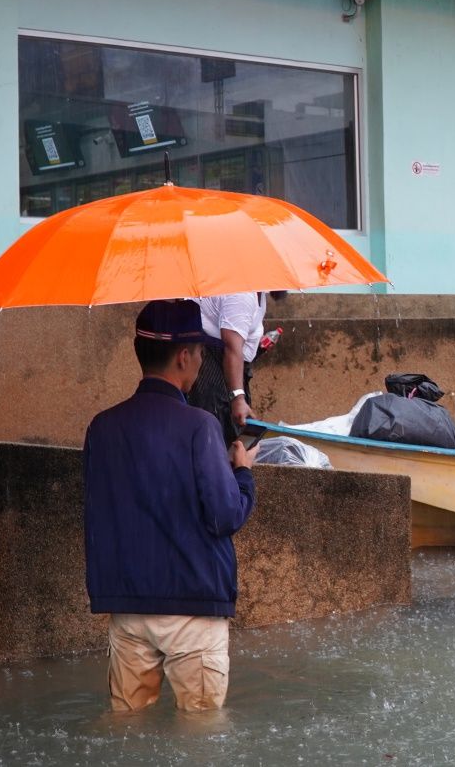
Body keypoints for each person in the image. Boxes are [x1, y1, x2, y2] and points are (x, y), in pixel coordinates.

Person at [84, 299, 258, 712]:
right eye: (199, 353)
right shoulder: (200, 425)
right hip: (193, 609)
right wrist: (242, 473)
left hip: (127, 607)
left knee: (127, 727)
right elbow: (226, 515)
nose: (200, 362)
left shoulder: (102, 427)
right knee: (201, 734)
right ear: (184, 357)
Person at [189, 291, 287, 444]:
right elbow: (231, 348)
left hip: (229, 371)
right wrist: (238, 399)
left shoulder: (258, 293)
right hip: (213, 370)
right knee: (216, 437)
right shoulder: (242, 295)